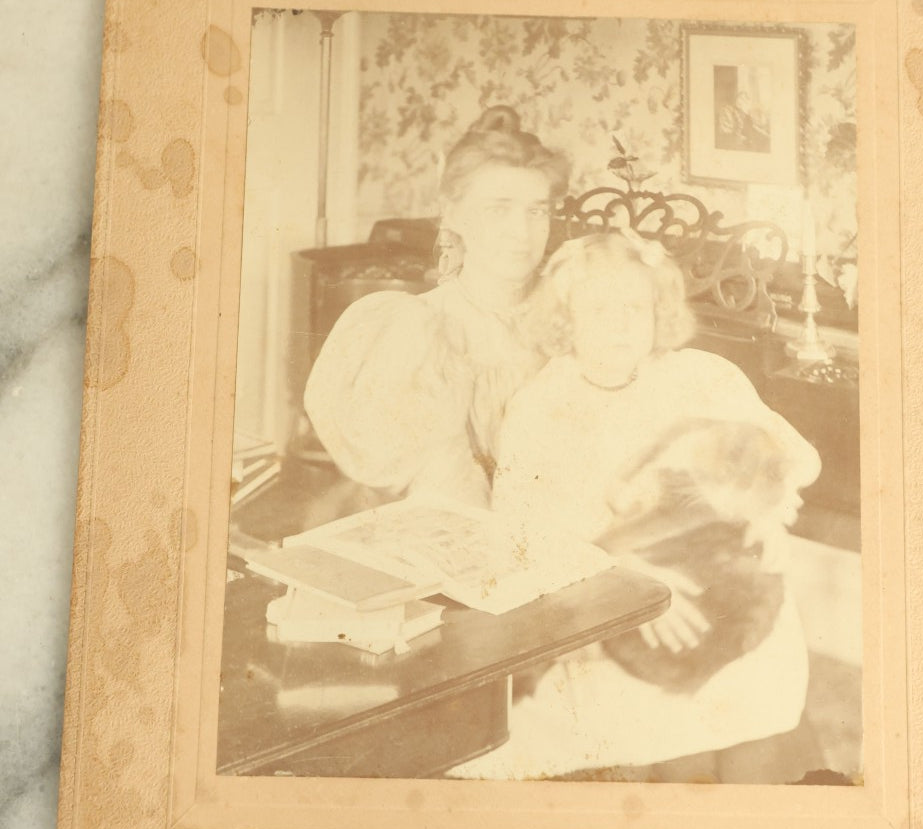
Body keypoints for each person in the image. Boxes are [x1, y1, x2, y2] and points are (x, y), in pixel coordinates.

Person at [450, 229, 822, 780]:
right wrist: (629, 580)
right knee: (632, 718)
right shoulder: (540, 406)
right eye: (599, 307)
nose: (621, 323)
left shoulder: (702, 377)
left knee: (755, 690)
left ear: (658, 312)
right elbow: (524, 531)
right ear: (565, 318)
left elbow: (794, 455)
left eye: (635, 306)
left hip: (718, 585)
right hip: (605, 587)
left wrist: (767, 506)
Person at [303, 106, 569, 506]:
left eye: (536, 211)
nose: (521, 232)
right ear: (453, 214)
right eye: (498, 209)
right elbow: (418, 488)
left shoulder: (576, 317)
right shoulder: (414, 331)